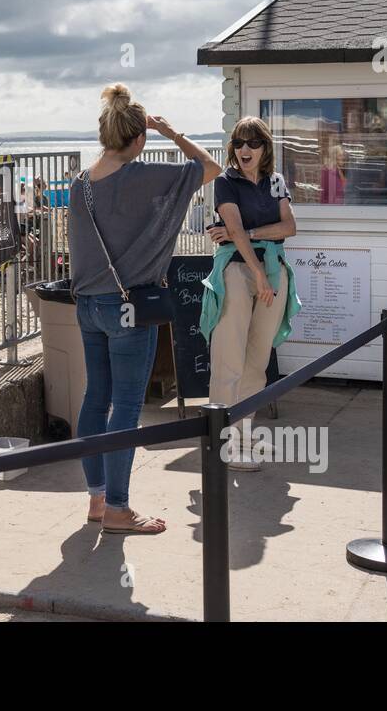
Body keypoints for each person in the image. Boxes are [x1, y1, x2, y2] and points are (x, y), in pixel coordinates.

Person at [69, 83, 221, 535]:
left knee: (96, 398)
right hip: (130, 307)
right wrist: (171, 132)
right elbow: (210, 167)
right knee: (127, 408)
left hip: (88, 306)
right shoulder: (148, 176)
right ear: (139, 138)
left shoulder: (80, 185)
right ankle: (118, 509)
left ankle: (97, 499)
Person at [202, 116, 302, 471]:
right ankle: (221, 442)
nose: (245, 149)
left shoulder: (275, 182)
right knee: (229, 358)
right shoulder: (225, 182)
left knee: (257, 360)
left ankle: (244, 435)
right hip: (238, 272)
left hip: (273, 271)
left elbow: (289, 227)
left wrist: (248, 233)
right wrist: (256, 270)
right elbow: (232, 228)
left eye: (253, 143)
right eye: (239, 143)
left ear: (265, 148)